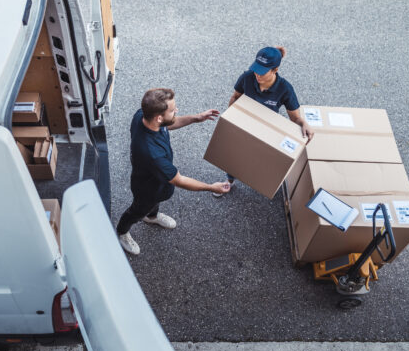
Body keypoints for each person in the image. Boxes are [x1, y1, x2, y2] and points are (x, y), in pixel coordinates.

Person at [117, 88, 231, 255]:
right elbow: (179, 180)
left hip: (158, 181)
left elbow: (169, 124)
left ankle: (151, 217)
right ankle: (122, 232)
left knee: (154, 203)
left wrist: (196, 117)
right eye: (172, 110)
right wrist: (212, 187)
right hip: (147, 188)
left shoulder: (143, 116)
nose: (176, 111)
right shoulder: (152, 154)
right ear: (159, 117)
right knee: (137, 210)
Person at [213, 46, 315, 197]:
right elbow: (235, 96)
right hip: (244, 123)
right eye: (256, 69)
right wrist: (231, 117)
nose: (257, 75)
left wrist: (304, 124)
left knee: (259, 157)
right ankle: (230, 179)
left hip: (266, 129)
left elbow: (295, 118)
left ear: (275, 70)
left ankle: (260, 181)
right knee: (236, 153)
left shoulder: (285, 89)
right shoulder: (247, 77)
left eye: (262, 71)